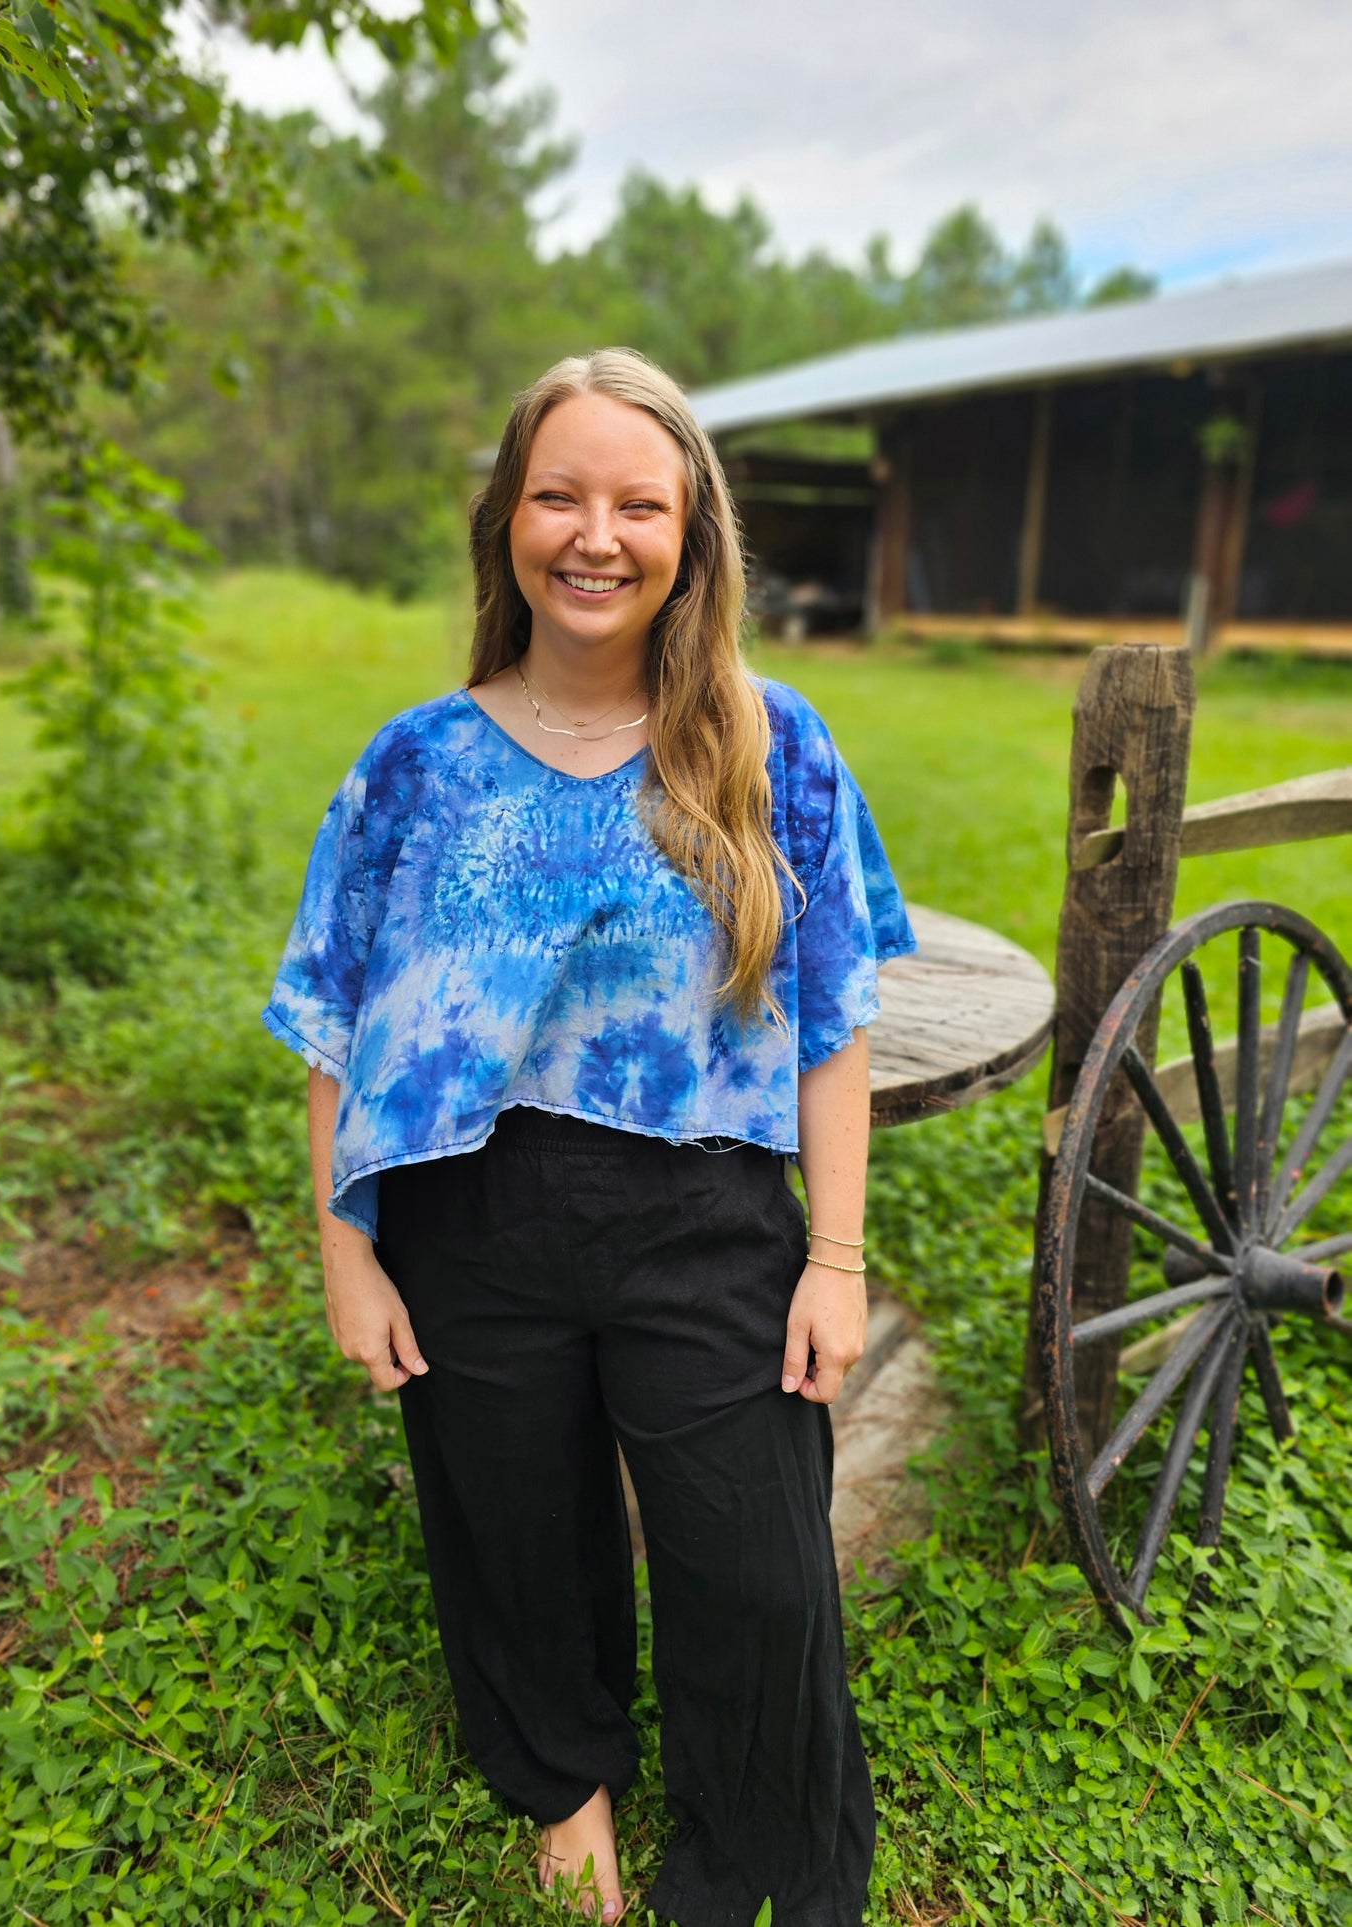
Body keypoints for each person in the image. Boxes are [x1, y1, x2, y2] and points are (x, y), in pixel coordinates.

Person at [263, 348, 917, 1926]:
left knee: (754, 1566)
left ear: (690, 532)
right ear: (508, 520)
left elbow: (831, 1025)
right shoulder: (413, 762)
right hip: (467, 1223)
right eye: (557, 495)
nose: (593, 534)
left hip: (703, 1218)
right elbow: (337, 1025)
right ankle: (566, 1782)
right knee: (512, 1535)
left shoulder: (772, 745)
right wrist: (347, 1255)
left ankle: (758, 1844)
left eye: (637, 502)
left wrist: (833, 1262)